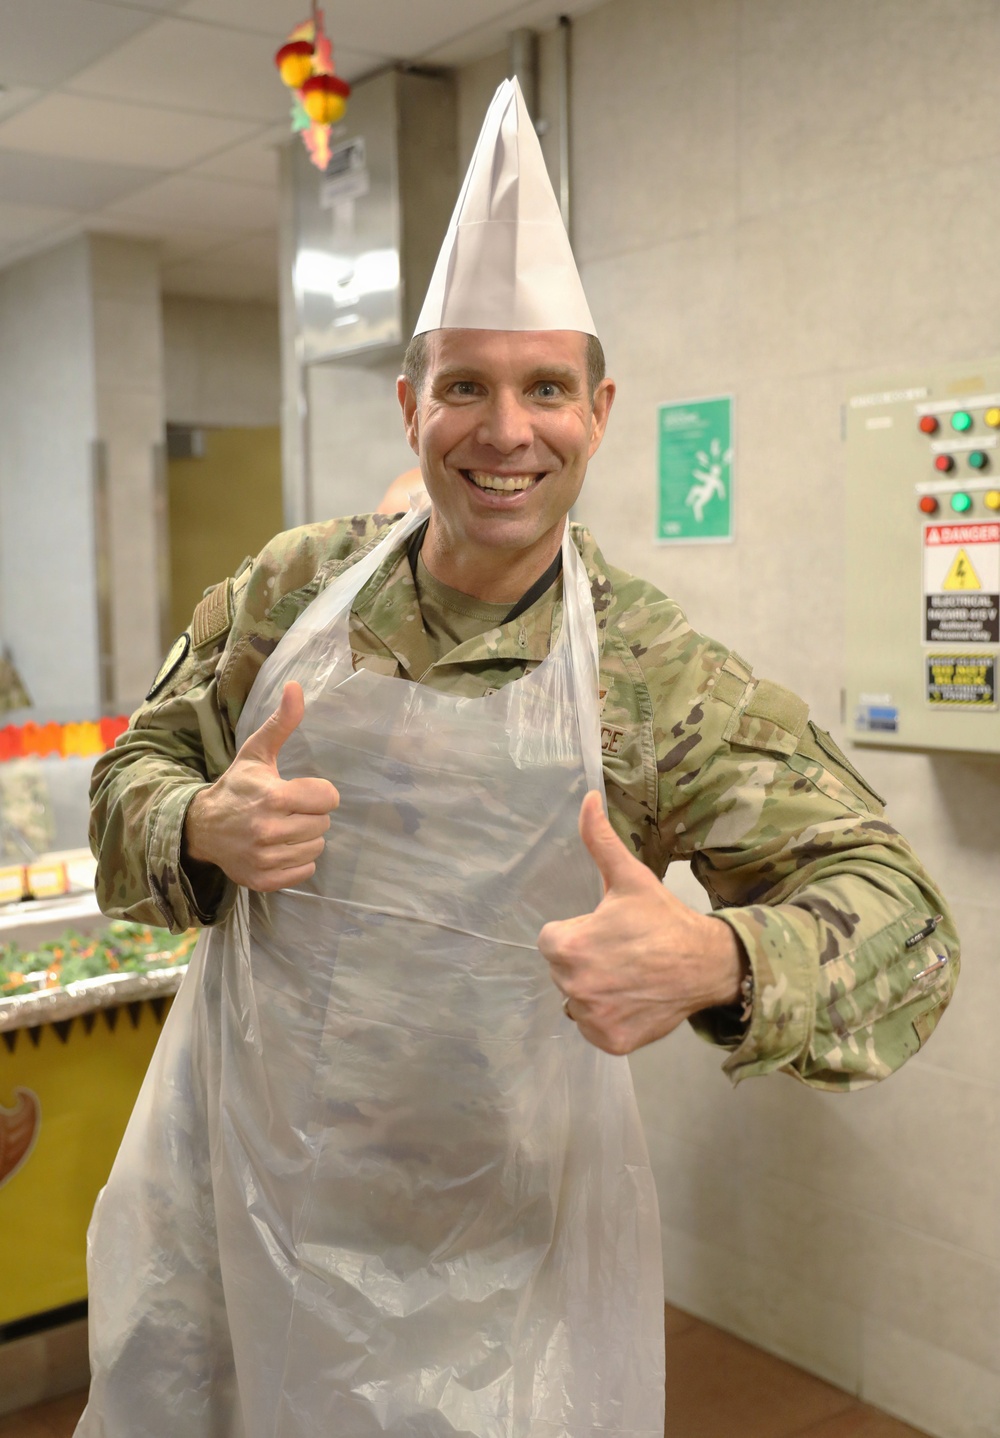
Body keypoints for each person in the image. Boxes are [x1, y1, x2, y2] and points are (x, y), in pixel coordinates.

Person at [79, 80, 957, 1438]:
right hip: (237, 1210)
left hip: (507, 1276)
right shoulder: (286, 595)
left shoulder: (657, 679)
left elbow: (909, 918)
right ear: (408, 401)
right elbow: (126, 783)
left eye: (546, 387)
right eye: (468, 388)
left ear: (599, 409)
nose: (506, 432)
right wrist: (197, 822)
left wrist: (716, 958)